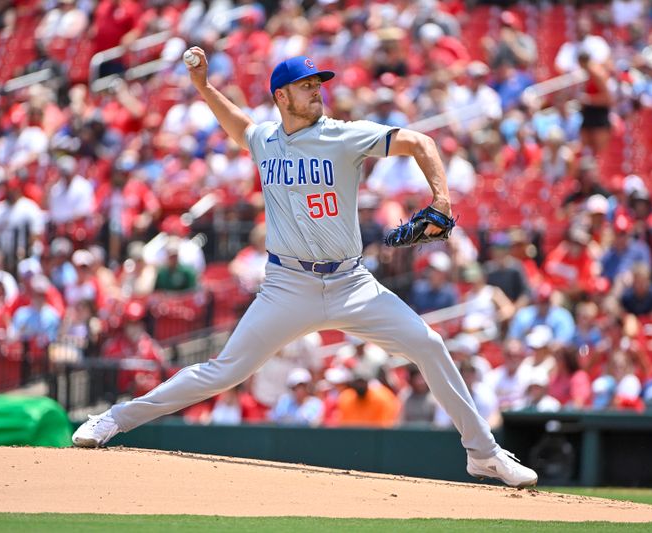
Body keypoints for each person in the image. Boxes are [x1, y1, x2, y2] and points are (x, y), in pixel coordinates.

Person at [72, 51, 538, 487]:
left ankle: (483, 452)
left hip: (351, 282)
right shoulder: (264, 140)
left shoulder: (342, 135)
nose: (317, 90)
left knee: (429, 344)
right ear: (281, 96)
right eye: (305, 85)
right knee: (224, 371)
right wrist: (203, 86)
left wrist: (441, 199)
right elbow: (240, 125)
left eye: (318, 83)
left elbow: (420, 141)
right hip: (287, 285)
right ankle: (116, 418)